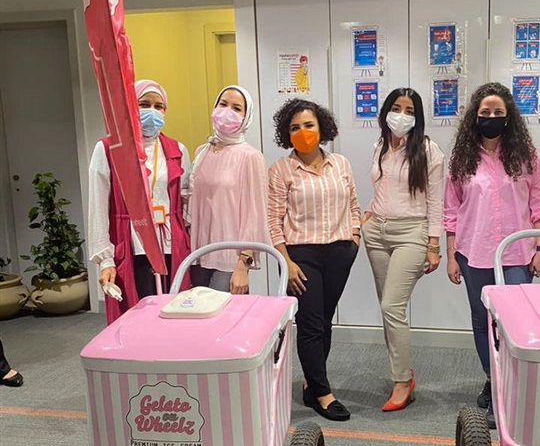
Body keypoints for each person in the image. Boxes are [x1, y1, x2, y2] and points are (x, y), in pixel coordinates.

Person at [444, 82, 540, 429]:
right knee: (482, 321)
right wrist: (451, 256)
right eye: (485, 112)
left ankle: (512, 387)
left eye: (498, 113)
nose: (491, 118)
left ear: (509, 117)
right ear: (474, 117)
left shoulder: (528, 159)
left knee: (512, 324)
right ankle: (493, 381)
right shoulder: (462, 160)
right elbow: (451, 211)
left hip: (517, 254)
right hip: (473, 254)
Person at [268, 99, 361, 422]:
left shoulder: (340, 163)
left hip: (339, 252)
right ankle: (323, 394)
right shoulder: (281, 170)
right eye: (295, 128)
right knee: (309, 323)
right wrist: (286, 262)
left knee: (324, 320)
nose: (303, 132)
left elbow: (353, 204)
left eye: (308, 125)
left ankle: (311, 382)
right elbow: (273, 220)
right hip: (301, 255)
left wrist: (354, 238)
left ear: (322, 128)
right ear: (286, 134)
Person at [362, 88, 444, 411]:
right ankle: (401, 371)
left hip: (412, 232)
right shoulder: (380, 145)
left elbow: (435, 201)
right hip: (377, 231)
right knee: (387, 307)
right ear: (386, 111)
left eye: (409, 111)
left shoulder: (428, 150)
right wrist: (368, 215)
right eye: (396, 108)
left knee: (392, 306)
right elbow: (382, 188)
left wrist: (433, 245)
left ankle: (401, 381)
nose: (402, 115)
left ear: (417, 117)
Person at [88, 79, 191, 324]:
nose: (152, 112)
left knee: (174, 313)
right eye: (144, 104)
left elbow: (186, 202)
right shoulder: (109, 148)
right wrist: (105, 260)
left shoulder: (177, 149)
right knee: (138, 316)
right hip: (132, 244)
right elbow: (98, 207)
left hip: (170, 245)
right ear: (130, 107)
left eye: (159, 106)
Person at [189, 85, 271, 293]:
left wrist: (243, 265)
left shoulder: (251, 157)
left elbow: (255, 215)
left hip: (230, 259)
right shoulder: (202, 152)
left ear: (246, 117)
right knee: (200, 311)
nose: (227, 111)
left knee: (223, 310)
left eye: (236, 108)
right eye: (223, 104)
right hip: (198, 255)